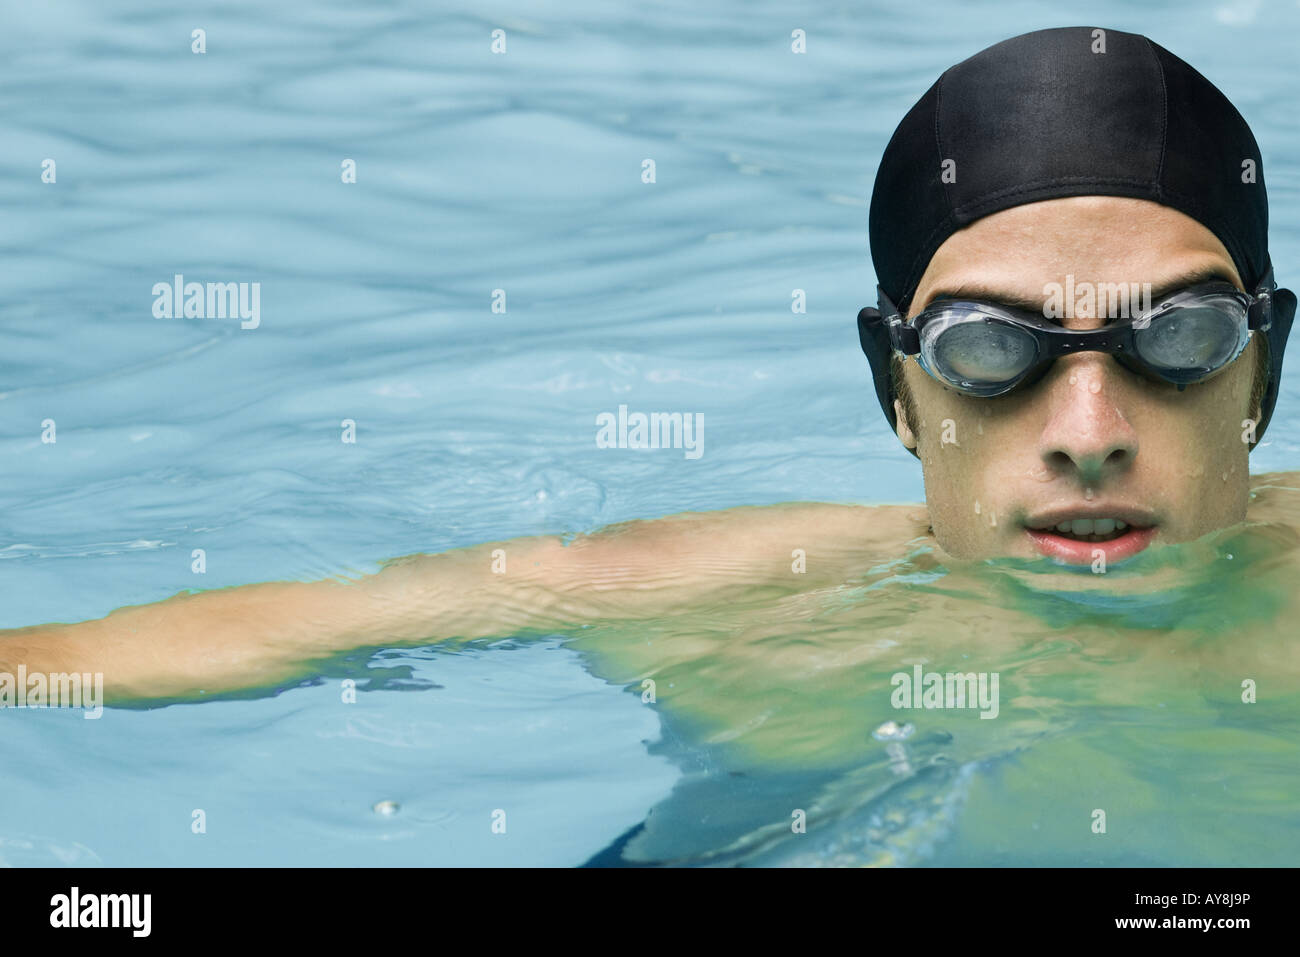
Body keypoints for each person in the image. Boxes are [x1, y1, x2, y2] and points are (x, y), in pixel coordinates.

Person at [2, 26, 1296, 705]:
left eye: (1179, 337)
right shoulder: (726, 603)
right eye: (988, 351)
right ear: (897, 390)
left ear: (1267, 371)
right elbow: (279, 632)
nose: (1088, 428)